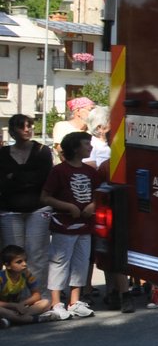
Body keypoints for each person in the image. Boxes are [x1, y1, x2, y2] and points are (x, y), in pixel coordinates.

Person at [39, 130, 98, 320]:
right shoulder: (59, 171)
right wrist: (67, 206)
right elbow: (45, 197)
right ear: (74, 148)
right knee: (59, 262)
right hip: (63, 224)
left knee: (81, 262)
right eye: (86, 144)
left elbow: (99, 194)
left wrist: (93, 205)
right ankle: (56, 302)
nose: (90, 147)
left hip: (85, 225)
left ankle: (75, 300)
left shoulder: (90, 171)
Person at [0, 114, 56, 281]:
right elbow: (3, 182)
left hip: (38, 208)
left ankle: (37, 295)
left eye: (30, 126)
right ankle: (15, 294)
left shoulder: (42, 151)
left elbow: (43, 178)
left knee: (37, 253)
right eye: (21, 126)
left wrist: (14, 177)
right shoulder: (3, 153)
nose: (27, 130)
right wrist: (25, 178)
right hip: (10, 209)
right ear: (12, 131)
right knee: (14, 255)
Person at [0, 244, 49, 326]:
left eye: (25, 260)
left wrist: (22, 304)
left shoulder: (26, 274)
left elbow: (37, 295)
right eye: (19, 262)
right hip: (5, 307)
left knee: (45, 302)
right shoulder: (1, 278)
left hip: (17, 308)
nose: (24, 264)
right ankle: (35, 319)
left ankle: (10, 320)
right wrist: (14, 306)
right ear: (8, 265)